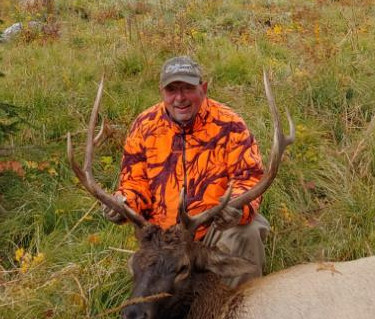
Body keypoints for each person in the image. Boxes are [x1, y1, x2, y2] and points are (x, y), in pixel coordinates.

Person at [105, 56, 270, 287]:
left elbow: (248, 177)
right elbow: (134, 183)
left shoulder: (229, 125)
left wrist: (236, 208)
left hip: (212, 230)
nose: (180, 98)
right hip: (164, 239)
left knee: (246, 231)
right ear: (162, 91)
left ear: (203, 88)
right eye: (172, 90)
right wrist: (123, 204)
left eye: (188, 88)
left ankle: (240, 307)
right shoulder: (145, 126)